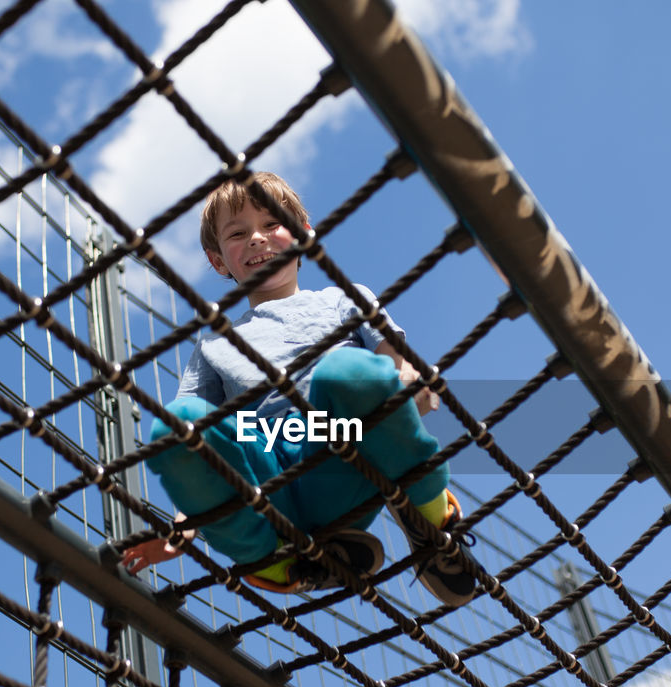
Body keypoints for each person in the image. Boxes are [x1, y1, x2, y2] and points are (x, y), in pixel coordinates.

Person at [120, 171, 480, 606]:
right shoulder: (215, 343)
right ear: (218, 261)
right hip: (268, 471)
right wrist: (185, 523)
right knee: (178, 424)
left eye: (272, 224)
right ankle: (278, 563)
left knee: (346, 371)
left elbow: (398, 367)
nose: (257, 238)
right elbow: (197, 440)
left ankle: (431, 521)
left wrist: (409, 386)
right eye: (238, 233)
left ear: (305, 235)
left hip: (342, 448)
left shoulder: (344, 299)